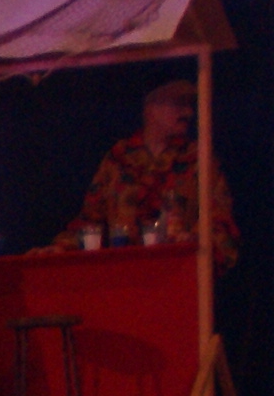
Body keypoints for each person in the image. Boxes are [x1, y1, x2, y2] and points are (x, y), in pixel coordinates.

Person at [56, 79, 235, 268]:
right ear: (151, 107)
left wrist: (195, 239)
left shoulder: (198, 159)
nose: (188, 113)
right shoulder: (119, 158)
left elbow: (220, 218)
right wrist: (62, 247)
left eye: (189, 105)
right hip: (124, 273)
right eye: (179, 104)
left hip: (177, 272)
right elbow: (91, 219)